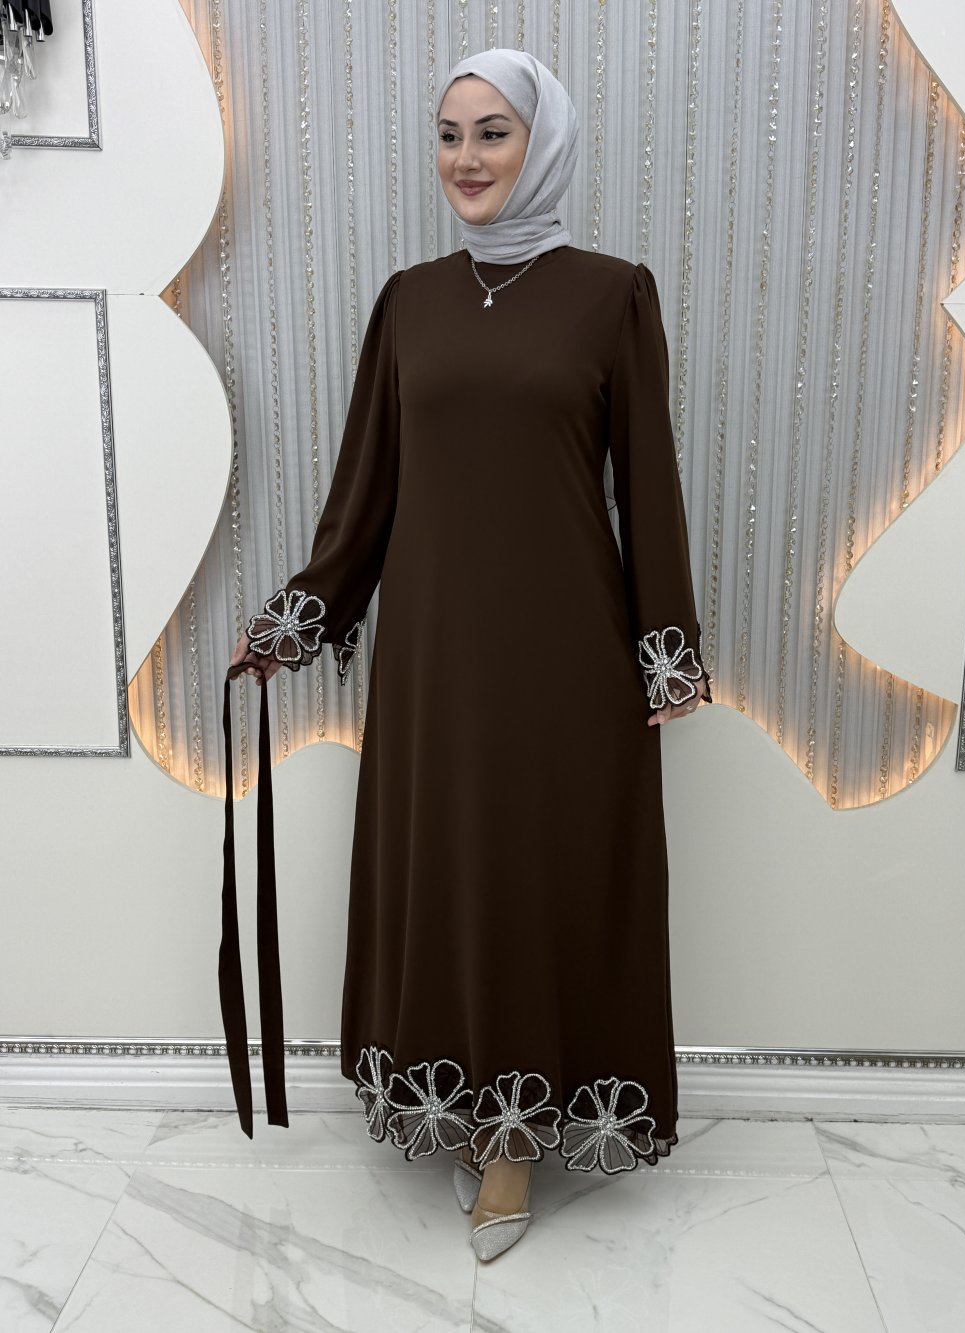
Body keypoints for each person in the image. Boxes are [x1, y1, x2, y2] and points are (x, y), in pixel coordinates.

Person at [229, 48, 711, 1261]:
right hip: (435, 655)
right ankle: (462, 1094)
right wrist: (298, 616)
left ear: (541, 143)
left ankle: (513, 1139)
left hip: (564, 656)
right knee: (450, 872)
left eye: (492, 132)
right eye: (448, 134)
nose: (466, 158)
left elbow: (648, 487)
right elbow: (368, 488)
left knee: (537, 879)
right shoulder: (410, 301)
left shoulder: (611, 295)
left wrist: (665, 645)